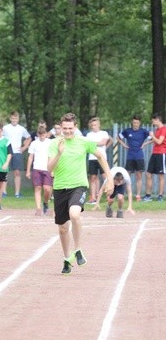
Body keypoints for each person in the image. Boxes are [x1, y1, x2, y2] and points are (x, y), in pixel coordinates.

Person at [48, 113, 114, 274]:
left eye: (70, 128)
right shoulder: (55, 143)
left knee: (75, 214)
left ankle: (78, 250)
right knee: (63, 228)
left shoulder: (84, 142)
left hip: (78, 186)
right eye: (65, 128)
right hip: (60, 187)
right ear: (61, 128)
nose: (68, 131)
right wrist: (59, 153)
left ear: (75, 127)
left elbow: (101, 157)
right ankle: (66, 258)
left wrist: (110, 179)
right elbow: (49, 169)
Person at [117, 115, 150, 201]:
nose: (135, 124)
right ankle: (122, 194)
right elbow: (118, 137)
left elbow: (152, 138)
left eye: (137, 123)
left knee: (139, 176)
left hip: (139, 156)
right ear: (132, 122)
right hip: (130, 156)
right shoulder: (127, 131)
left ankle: (138, 195)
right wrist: (124, 145)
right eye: (134, 122)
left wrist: (145, 144)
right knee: (126, 176)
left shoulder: (143, 131)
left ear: (140, 123)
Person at [2, 110, 31, 198]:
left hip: (17, 152)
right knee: (4, 172)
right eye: (13, 118)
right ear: (10, 118)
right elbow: (0, 137)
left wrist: (24, 148)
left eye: (16, 118)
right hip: (7, 152)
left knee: (17, 172)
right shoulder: (5, 128)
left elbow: (29, 138)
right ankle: (4, 192)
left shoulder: (21, 128)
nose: (14, 120)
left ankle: (17, 193)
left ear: (18, 119)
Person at [26, 126, 53, 216]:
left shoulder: (50, 143)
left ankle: (45, 202)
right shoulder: (34, 143)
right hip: (37, 168)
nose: (42, 136)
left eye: (43, 135)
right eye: (40, 135)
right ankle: (38, 208)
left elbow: (53, 156)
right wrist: (28, 170)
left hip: (47, 169)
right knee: (37, 188)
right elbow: (30, 157)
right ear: (38, 135)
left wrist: (52, 169)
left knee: (47, 189)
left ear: (46, 134)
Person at [85, 117, 113, 204]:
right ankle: (93, 197)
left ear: (99, 125)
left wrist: (94, 143)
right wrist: (97, 143)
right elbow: (87, 144)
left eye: (95, 125)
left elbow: (103, 143)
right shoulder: (89, 135)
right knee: (93, 177)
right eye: (92, 125)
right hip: (92, 158)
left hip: (102, 158)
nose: (94, 127)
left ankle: (110, 196)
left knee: (105, 176)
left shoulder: (104, 133)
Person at [142, 113, 166, 202]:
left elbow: (159, 141)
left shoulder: (164, 129)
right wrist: (145, 143)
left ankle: (160, 196)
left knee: (161, 176)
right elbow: (155, 139)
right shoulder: (157, 130)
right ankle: (148, 196)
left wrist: (152, 136)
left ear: (157, 120)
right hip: (154, 153)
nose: (152, 123)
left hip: (161, 154)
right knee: (148, 174)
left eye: (153, 121)